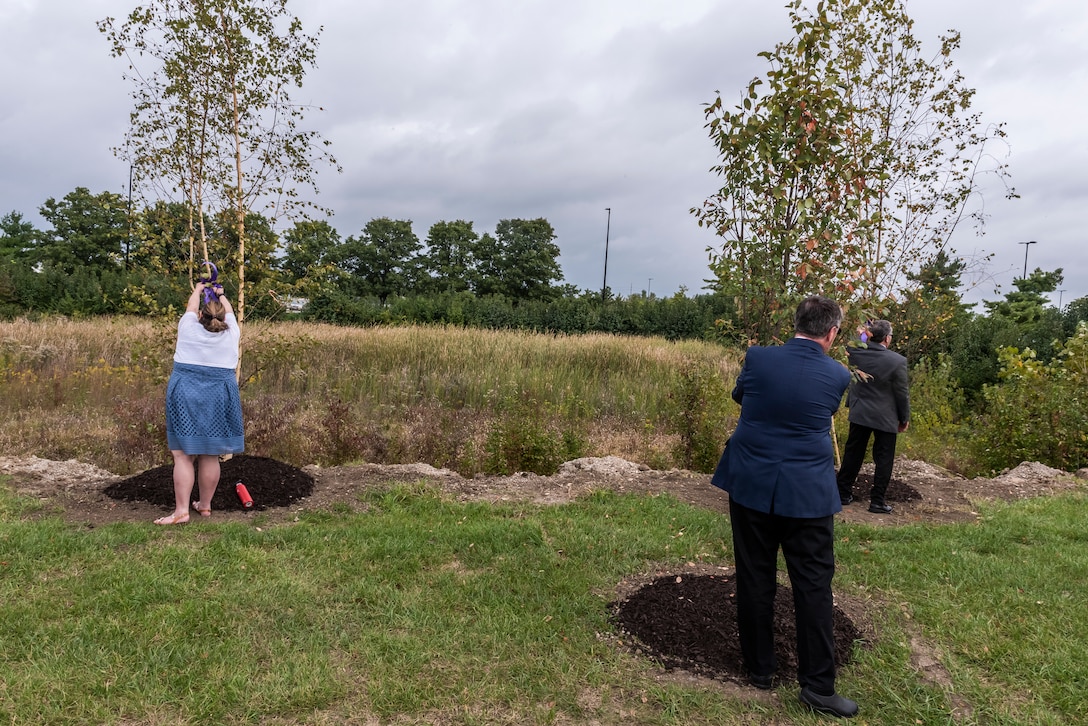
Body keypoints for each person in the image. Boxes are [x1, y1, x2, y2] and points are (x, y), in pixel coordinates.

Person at [711, 295, 858, 719]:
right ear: (831, 333)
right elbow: (820, 411)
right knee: (813, 586)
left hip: (751, 484)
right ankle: (818, 687)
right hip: (807, 495)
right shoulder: (838, 374)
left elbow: (741, 396)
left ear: (795, 323)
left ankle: (760, 670)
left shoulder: (757, 358)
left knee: (754, 575)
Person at [155, 280, 244, 525]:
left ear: (200, 316)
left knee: (183, 455)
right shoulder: (233, 331)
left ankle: (182, 511)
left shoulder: (188, 326)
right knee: (211, 454)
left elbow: (190, 308)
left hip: (186, 391)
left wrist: (197, 290)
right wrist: (221, 294)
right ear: (223, 316)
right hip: (219, 394)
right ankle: (204, 506)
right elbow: (231, 314)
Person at [836, 319, 910, 514]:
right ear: (887, 338)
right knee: (884, 459)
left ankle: (843, 494)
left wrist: (865, 326)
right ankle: (877, 501)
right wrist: (904, 419)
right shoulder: (897, 361)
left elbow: (854, 340)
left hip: (860, 412)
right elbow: (902, 394)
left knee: (853, 454)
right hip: (886, 417)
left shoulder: (855, 352)